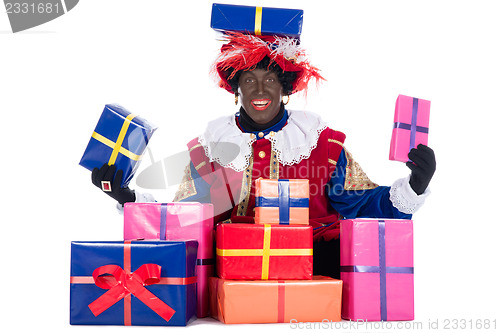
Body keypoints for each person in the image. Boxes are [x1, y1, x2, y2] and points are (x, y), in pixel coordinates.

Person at [91, 33, 436, 278]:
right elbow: (185, 217)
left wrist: (414, 186)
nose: (259, 90)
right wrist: (129, 198)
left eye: (270, 79)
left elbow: (362, 204)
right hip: (235, 265)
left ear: (284, 88)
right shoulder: (210, 148)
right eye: (249, 79)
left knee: (336, 255)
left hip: (310, 265)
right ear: (236, 87)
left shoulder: (321, 144)